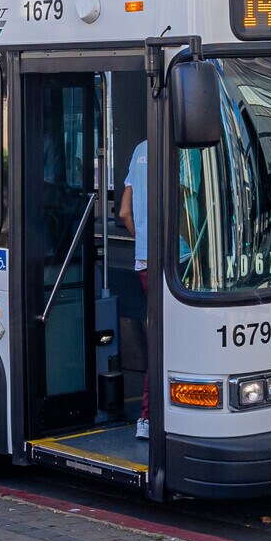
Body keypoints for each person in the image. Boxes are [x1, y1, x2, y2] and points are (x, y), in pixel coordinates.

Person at [118, 140, 151, 441]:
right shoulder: (180, 143)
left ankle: (148, 417)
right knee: (167, 341)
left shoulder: (139, 149)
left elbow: (124, 212)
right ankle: (149, 416)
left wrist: (144, 240)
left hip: (143, 261)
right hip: (177, 258)